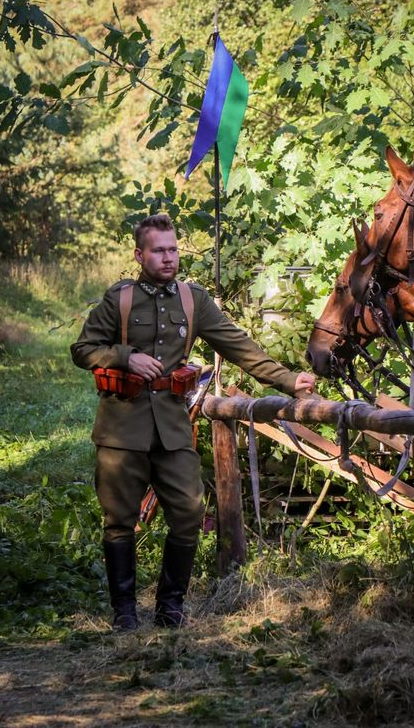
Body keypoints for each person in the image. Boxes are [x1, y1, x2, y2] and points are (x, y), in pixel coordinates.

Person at [70, 214, 315, 632]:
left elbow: (238, 345)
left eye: (173, 249)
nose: (168, 258)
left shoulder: (192, 300)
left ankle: (169, 607)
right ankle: (125, 613)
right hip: (122, 426)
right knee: (119, 520)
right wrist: (126, 357)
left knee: (187, 512)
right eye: (159, 250)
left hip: (172, 425)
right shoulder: (120, 298)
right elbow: (83, 349)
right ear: (139, 254)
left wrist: (290, 380)